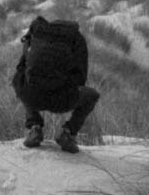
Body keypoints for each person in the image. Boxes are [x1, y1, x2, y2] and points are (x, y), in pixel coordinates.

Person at [12, 19, 100, 153]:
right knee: (93, 95)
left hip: (33, 98)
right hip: (63, 100)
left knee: (20, 81)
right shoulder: (77, 39)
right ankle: (68, 133)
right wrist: (66, 88)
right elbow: (81, 77)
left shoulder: (37, 34)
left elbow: (21, 67)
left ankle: (34, 127)